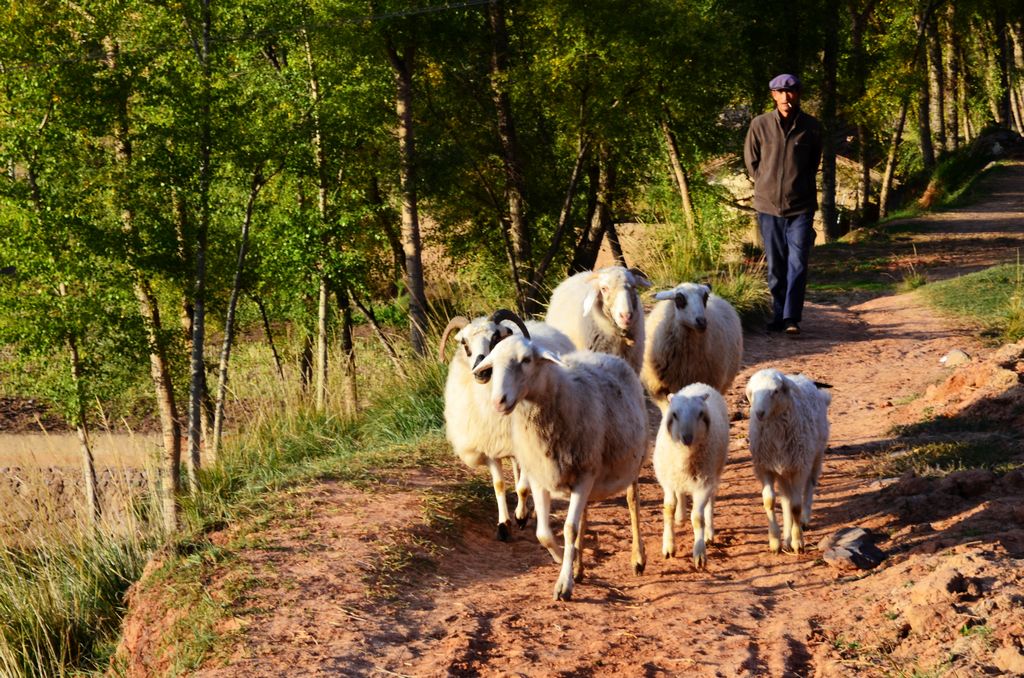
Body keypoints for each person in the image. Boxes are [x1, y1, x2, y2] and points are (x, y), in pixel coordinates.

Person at [743, 73, 823, 336]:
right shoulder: (760, 124)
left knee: (798, 262)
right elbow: (751, 161)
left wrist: (796, 185)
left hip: (800, 207)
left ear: (798, 94)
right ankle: (778, 314)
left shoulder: (811, 126)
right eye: (780, 92)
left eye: (791, 92)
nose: (786, 97)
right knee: (776, 266)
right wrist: (765, 183)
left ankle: (791, 318)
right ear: (773, 95)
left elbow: (812, 164)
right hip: (768, 207)